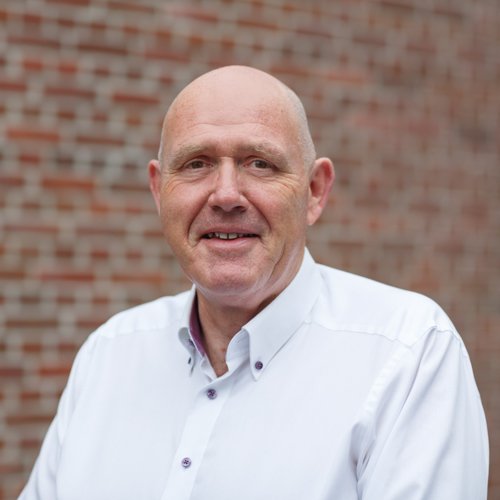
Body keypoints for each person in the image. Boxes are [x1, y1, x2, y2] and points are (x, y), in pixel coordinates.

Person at [20, 65, 488, 500]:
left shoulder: (409, 355)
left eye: (260, 163)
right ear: (159, 191)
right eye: (197, 163)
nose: (226, 195)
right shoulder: (107, 356)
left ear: (314, 191)